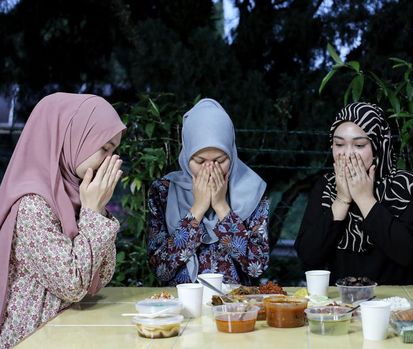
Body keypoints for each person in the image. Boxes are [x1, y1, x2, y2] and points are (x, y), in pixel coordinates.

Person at [0, 93, 125, 348]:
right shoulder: (31, 203)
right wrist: (93, 211)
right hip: (32, 340)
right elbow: (73, 284)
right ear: (72, 138)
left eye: (114, 150)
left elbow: (103, 273)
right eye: (105, 148)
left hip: (66, 334)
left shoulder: (75, 195)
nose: (111, 161)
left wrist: (96, 210)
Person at [294, 102, 413, 285]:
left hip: (397, 304)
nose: (347, 154)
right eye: (339, 144)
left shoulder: (408, 187)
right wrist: (342, 200)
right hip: (341, 304)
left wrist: (365, 199)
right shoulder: (326, 187)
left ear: (378, 148)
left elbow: (408, 254)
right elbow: (308, 256)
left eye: (359, 145)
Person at [147, 98, 269, 286]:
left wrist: (221, 207)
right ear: (187, 155)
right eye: (200, 161)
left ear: (232, 153)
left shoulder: (252, 191)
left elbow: (258, 266)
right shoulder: (164, 191)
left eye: (220, 161)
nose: (211, 169)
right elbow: (160, 269)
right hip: (181, 305)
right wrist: (197, 210)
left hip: (234, 308)